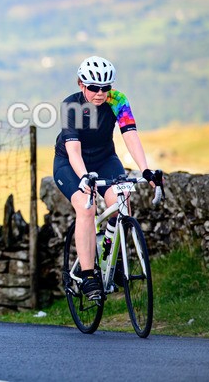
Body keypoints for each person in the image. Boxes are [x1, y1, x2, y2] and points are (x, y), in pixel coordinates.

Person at [53, 55, 157, 300]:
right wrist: (84, 178)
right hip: (71, 163)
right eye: (93, 88)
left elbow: (130, 134)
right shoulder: (72, 106)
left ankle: (113, 256)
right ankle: (88, 275)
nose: (100, 93)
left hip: (104, 159)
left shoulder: (118, 100)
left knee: (123, 202)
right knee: (86, 207)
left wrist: (144, 169)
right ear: (81, 85)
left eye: (105, 88)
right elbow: (73, 150)